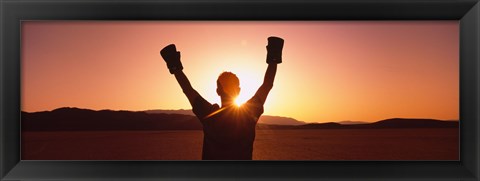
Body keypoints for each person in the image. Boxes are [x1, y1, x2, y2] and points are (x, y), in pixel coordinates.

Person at [160, 36, 284, 160]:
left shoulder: (209, 114)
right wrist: (273, 58)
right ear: (239, 91)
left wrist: (175, 66)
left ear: (218, 91)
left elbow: (188, 90)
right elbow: (267, 85)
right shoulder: (249, 113)